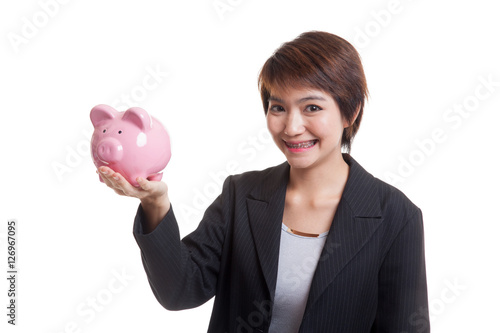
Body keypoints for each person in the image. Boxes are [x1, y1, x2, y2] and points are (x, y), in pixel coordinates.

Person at [98, 31, 430, 332]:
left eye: (311, 107)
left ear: (351, 111)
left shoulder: (396, 217)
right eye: (278, 108)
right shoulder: (241, 195)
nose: (292, 127)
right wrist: (155, 202)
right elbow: (180, 290)